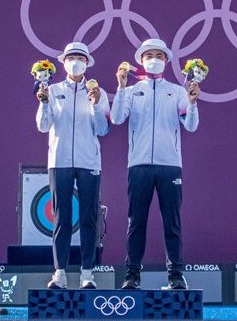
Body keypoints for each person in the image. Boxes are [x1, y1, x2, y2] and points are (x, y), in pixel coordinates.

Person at [110, 38, 200, 290]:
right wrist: (120, 86)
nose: (154, 59)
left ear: (167, 61)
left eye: (159, 55)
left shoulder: (178, 91)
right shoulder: (130, 91)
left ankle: (175, 275)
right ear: (140, 60)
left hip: (170, 165)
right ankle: (132, 275)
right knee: (136, 221)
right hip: (138, 165)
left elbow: (191, 125)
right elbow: (117, 119)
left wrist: (193, 103)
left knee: (171, 221)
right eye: (149, 55)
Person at [36, 41, 109, 289]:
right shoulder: (52, 90)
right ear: (63, 61)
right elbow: (43, 126)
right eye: (71, 57)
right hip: (59, 161)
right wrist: (43, 103)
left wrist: (96, 103)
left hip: (89, 161)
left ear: (87, 62)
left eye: (80, 57)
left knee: (89, 218)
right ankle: (60, 273)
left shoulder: (98, 91)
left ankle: (87, 273)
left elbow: (103, 128)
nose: (75, 61)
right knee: (61, 218)